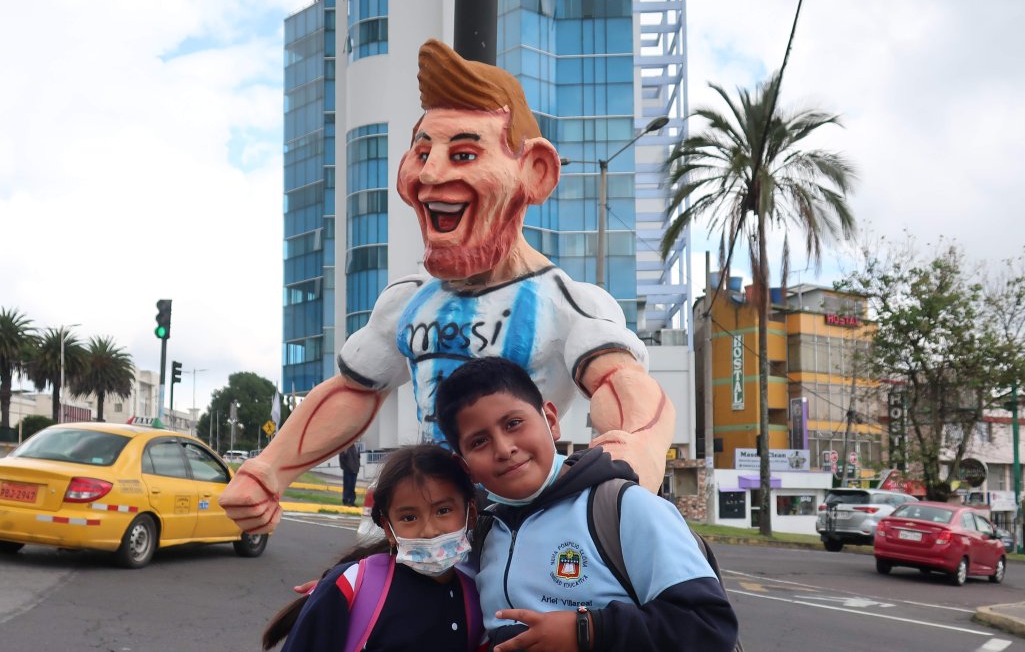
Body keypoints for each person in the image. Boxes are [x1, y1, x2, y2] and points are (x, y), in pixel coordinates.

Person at [220, 39, 677, 534]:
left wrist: (633, 453)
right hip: (413, 533)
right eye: (422, 153)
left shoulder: (568, 306)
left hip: (516, 535)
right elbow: (354, 391)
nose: (430, 174)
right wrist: (266, 471)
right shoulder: (407, 302)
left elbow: (625, 389)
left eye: (463, 153)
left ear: (534, 171)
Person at [435, 357, 738, 651]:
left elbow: (709, 626)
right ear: (465, 465)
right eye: (479, 442)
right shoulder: (483, 532)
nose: (504, 448)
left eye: (513, 423)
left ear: (550, 421)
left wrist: (588, 631)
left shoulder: (625, 508)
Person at [262, 445, 486, 652]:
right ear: (389, 529)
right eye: (409, 517)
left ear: (471, 513)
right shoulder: (350, 586)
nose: (429, 530)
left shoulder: (477, 598)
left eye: (443, 511)